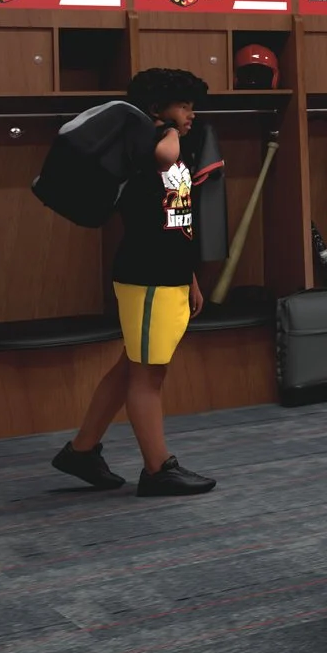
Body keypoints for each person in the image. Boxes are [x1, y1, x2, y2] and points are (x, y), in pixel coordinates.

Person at [53, 68, 218, 497]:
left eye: (192, 106)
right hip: (146, 276)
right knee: (149, 377)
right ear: (155, 109)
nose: (191, 115)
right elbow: (163, 154)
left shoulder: (166, 145)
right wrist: (165, 125)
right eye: (184, 105)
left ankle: (81, 451)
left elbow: (175, 221)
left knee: (133, 366)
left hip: (168, 274)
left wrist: (191, 277)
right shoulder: (147, 143)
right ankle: (158, 469)